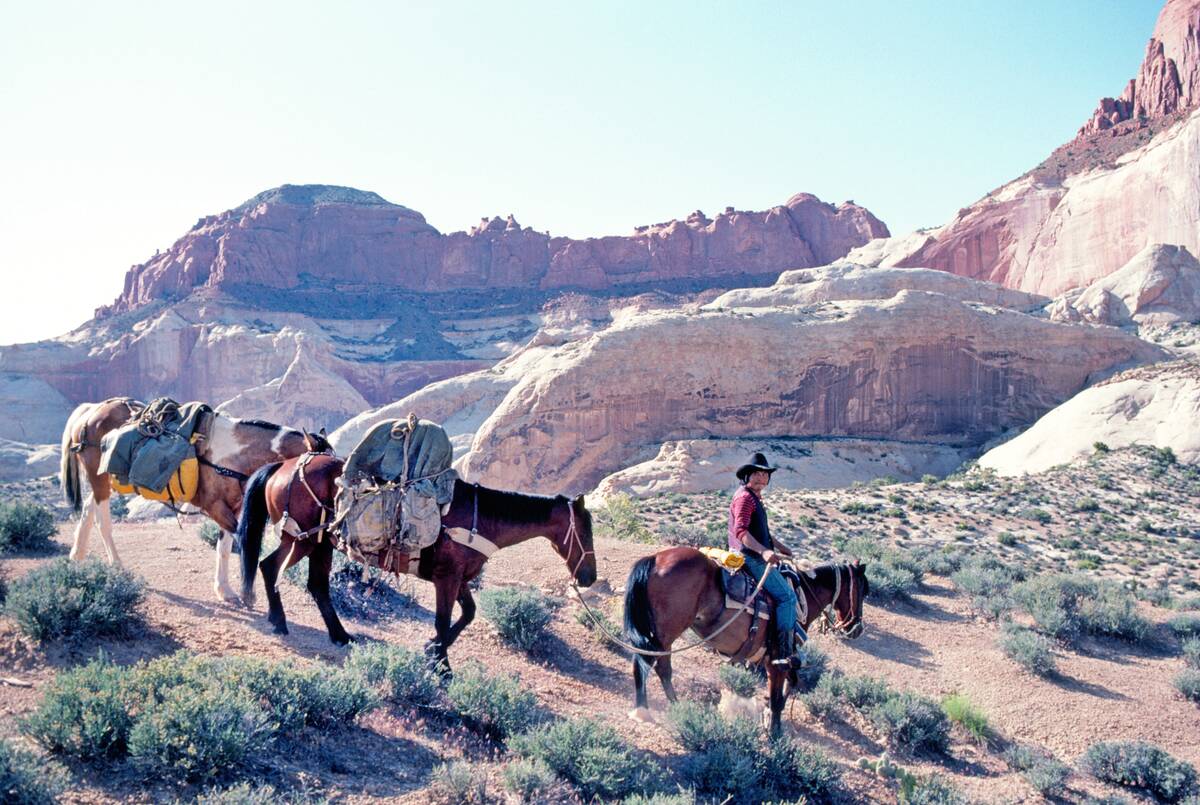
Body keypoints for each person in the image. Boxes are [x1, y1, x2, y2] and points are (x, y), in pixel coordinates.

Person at [728, 452, 804, 669]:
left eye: (765, 474)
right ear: (747, 476)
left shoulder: (752, 497)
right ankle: (783, 651)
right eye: (757, 473)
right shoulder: (745, 498)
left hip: (753, 554)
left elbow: (760, 532)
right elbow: (741, 531)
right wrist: (763, 552)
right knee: (788, 597)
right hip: (750, 558)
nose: (762, 478)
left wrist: (780, 546)